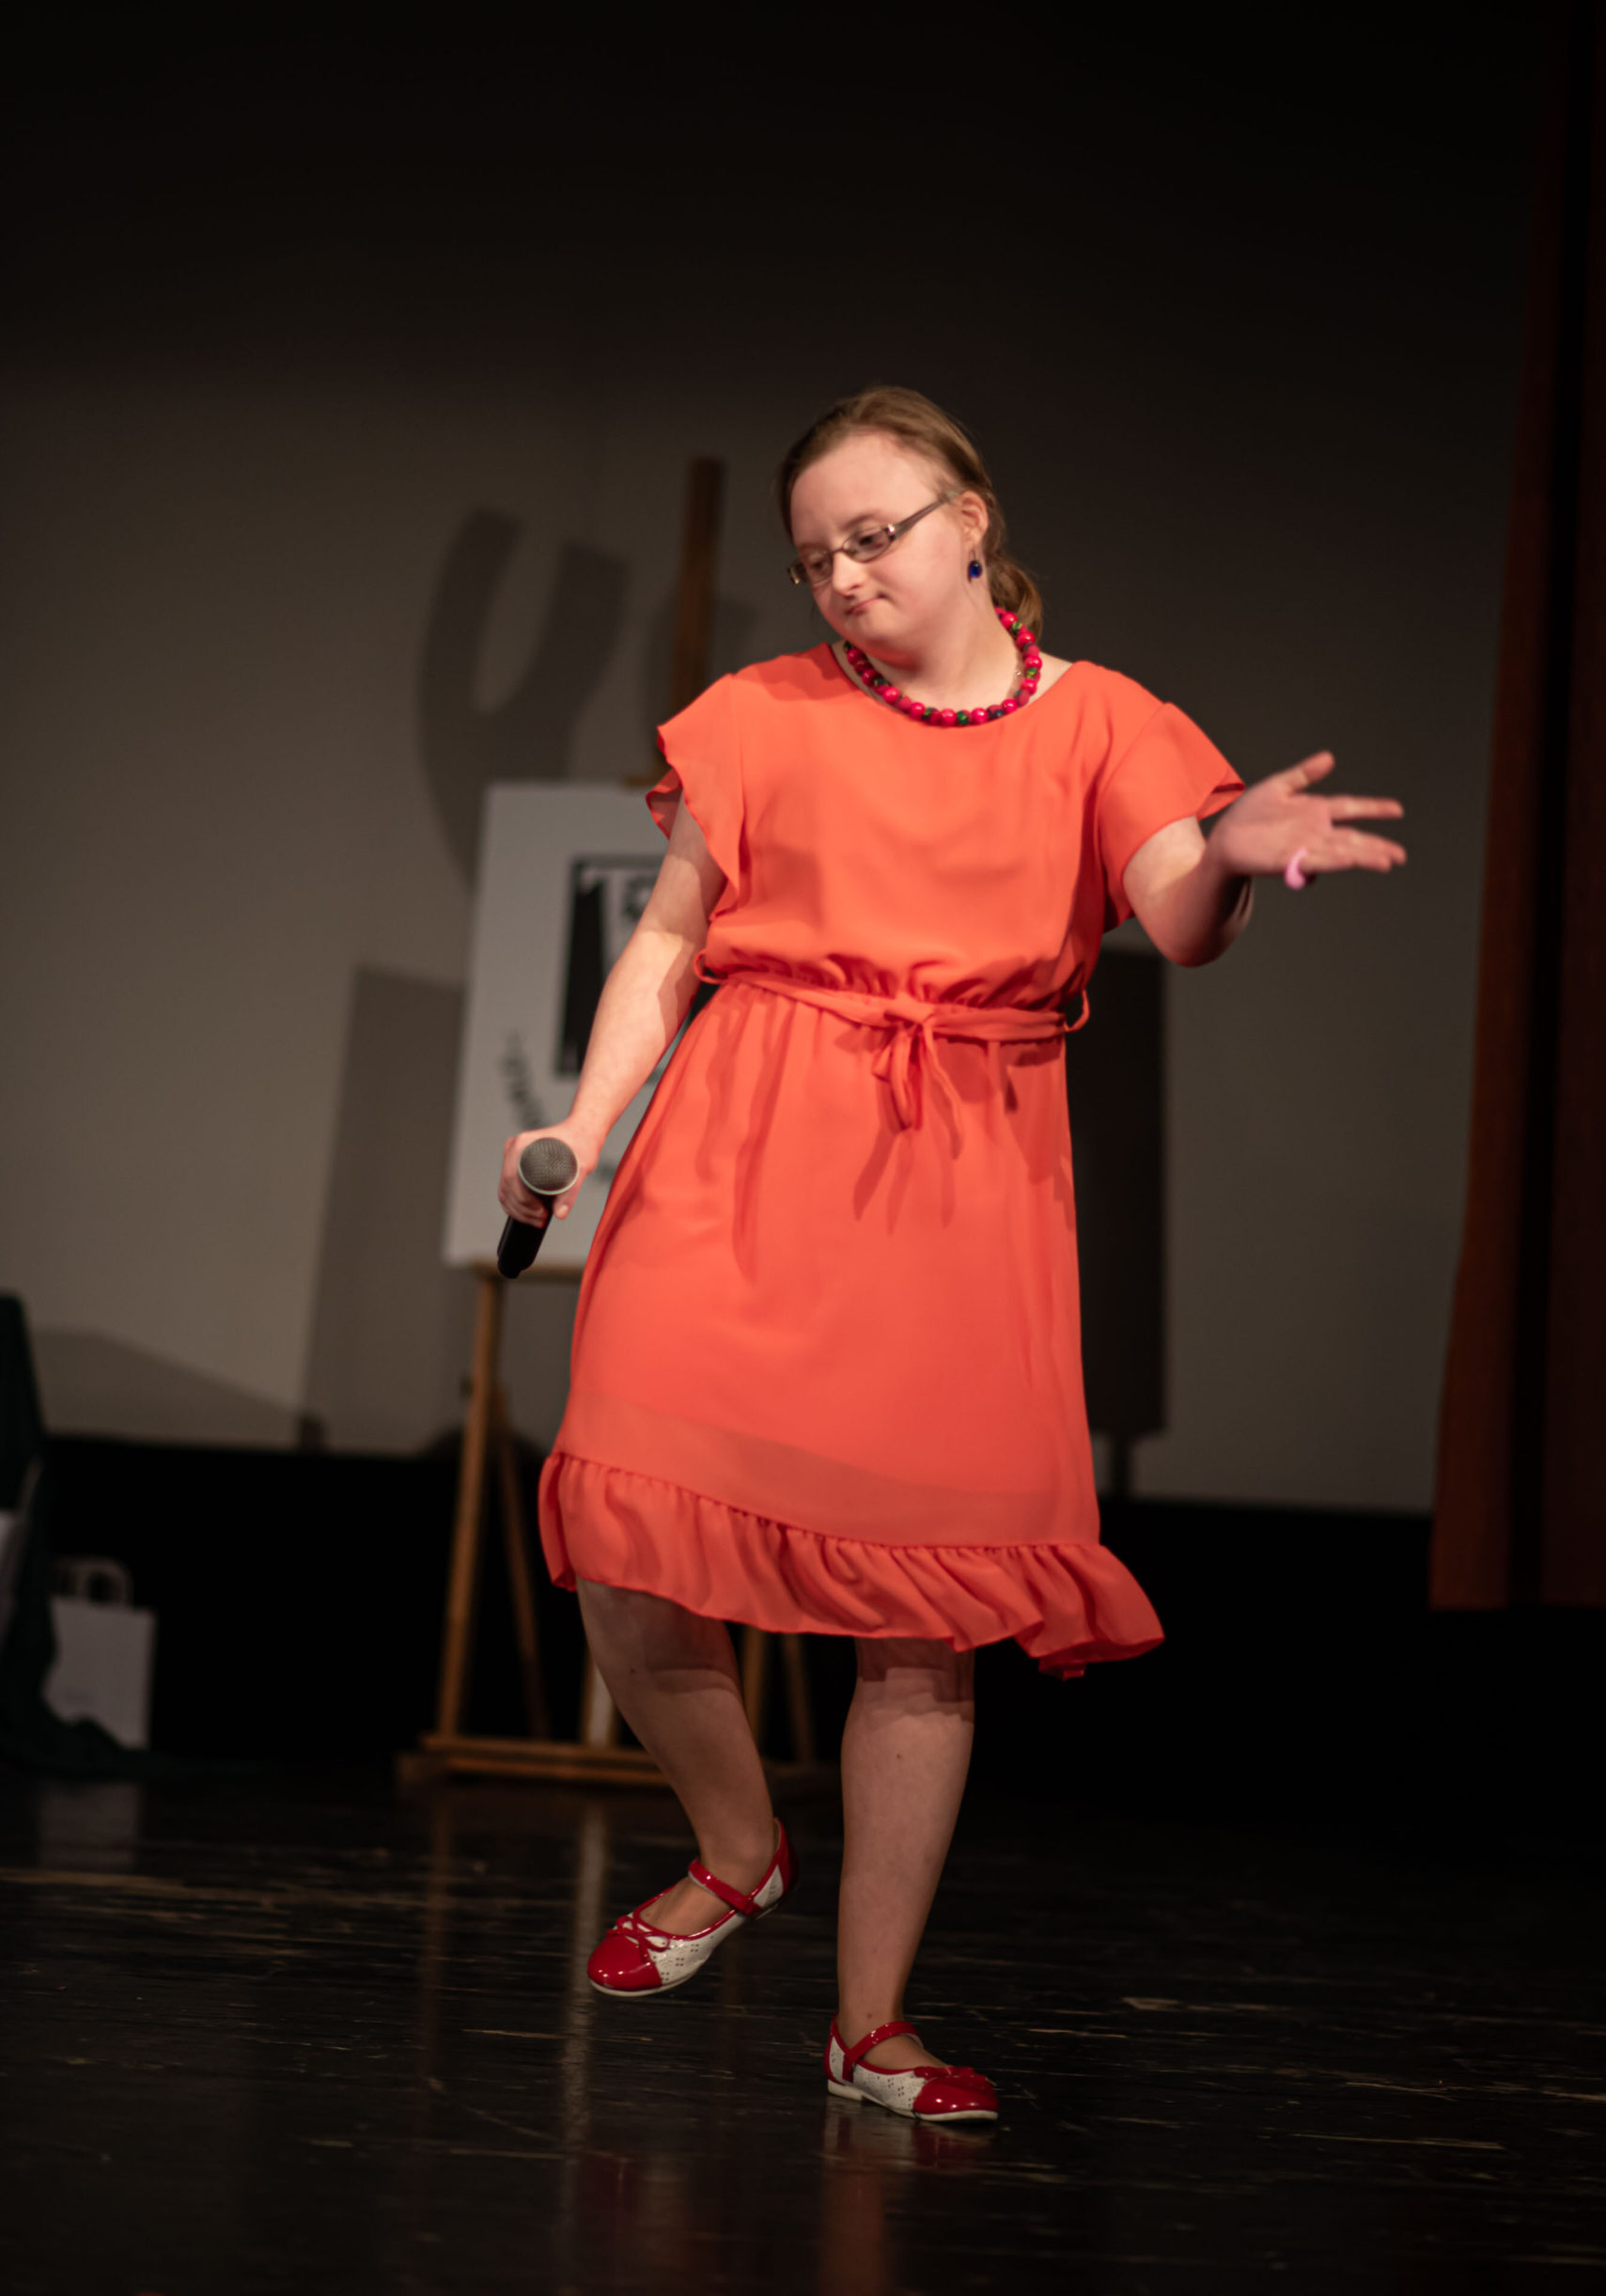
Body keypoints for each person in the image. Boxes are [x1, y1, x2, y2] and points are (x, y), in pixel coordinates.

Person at [499, 386, 1406, 2123]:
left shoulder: (1107, 722)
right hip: (743, 1138)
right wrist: (583, 1125)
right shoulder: (758, 715)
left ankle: (870, 2029)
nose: (843, 577)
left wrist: (1228, 853)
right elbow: (667, 945)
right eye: (814, 557)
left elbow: (1179, 922)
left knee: (920, 1619)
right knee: (620, 1524)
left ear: (969, 520)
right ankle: (736, 1846)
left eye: (874, 536)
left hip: (959, 1177)